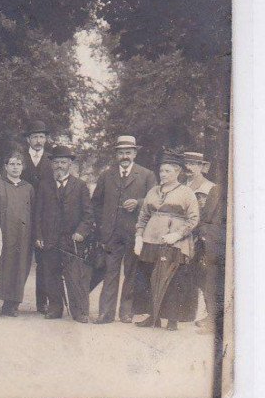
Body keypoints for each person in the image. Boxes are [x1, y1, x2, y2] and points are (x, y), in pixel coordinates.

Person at [92, 135, 156, 324]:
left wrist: (138, 203)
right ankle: (105, 313)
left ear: (135, 153)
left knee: (131, 272)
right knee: (110, 272)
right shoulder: (106, 175)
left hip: (134, 232)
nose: (125, 156)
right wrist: (102, 225)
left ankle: (126, 312)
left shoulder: (146, 175)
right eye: (121, 152)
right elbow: (96, 202)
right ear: (116, 155)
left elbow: (154, 201)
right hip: (111, 234)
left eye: (128, 152)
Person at [134, 150, 200, 330]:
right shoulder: (153, 191)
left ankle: (172, 319)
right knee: (149, 277)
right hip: (150, 240)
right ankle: (152, 317)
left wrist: (177, 235)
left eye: (167, 171)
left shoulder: (186, 192)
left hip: (173, 242)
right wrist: (139, 236)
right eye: (161, 171)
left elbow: (193, 219)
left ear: (178, 171)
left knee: (172, 279)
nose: (163, 174)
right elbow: (143, 215)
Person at [33, 144, 94, 323]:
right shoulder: (44, 185)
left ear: (70, 164)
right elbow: (38, 213)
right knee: (50, 273)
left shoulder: (80, 186)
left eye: (63, 162)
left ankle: (79, 311)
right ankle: (55, 308)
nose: (59, 166)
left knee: (75, 276)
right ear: (52, 165)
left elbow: (88, 214)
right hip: (50, 239)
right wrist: (38, 236)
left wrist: (81, 232)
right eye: (56, 162)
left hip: (72, 239)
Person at [184, 151, 224, 335]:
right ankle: (186, 312)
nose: (189, 168)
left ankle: (210, 315)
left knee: (206, 274)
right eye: (187, 164)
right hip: (183, 235)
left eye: (194, 164)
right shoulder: (182, 186)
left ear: (202, 167)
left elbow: (209, 217)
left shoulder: (210, 188)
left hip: (201, 236)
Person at [0, 152, 35, 317]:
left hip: (21, 235)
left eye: (18, 164)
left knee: (18, 266)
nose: (15, 167)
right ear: (5, 167)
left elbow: (31, 211)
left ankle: (11, 305)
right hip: (1, 233)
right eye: (12, 164)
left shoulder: (28, 187)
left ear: (23, 167)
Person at [21, 120, 54, 314]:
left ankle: (42, 302)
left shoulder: (51, 160)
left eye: (42, 136)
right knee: (19, 258)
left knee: (43, 263)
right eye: (35, 137)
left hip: (43, 217)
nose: (38, 140)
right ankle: (12, 299)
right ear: (28, 139)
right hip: (23, 215)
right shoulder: (20, 159)